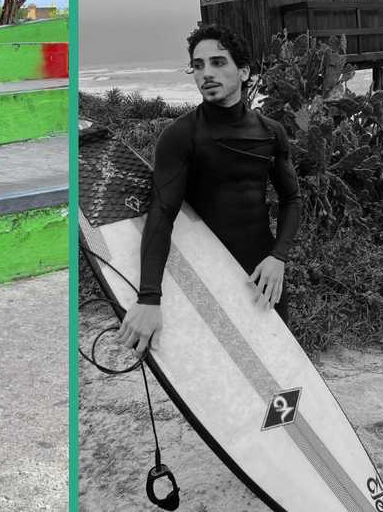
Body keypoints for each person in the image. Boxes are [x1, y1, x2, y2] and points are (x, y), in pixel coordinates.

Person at [117, 24, 301, 355]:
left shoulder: (271, 133)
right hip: (206, 274)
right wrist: (149, 298)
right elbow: (161, 215)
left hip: (261, 276)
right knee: (219, 375)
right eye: (198, 66)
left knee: (277, 363)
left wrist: (278, 257)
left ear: (244, 71)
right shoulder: (180, 136)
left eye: (218, 63)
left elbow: (291, 198)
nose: (206, 74)